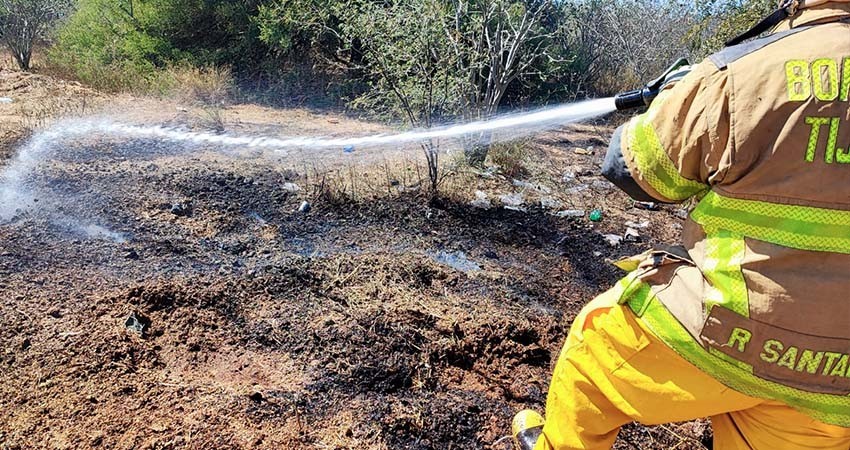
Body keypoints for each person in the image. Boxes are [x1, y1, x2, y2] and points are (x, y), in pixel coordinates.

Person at [511, 1, 850, 449]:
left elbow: (630, 171)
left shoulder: (743, 73)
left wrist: (678, 102)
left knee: (590, 352)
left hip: (731, 334)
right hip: (837, 381)